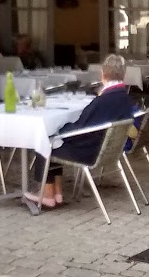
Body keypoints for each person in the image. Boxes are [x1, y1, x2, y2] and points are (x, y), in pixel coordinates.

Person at [26, 54, 135, 208]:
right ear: (123, 74)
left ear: (103, 74)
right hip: (106, 149)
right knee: (54, 141)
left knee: (45, 142)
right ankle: (56, 193)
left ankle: (47, 194)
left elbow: (81, 129)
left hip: (89, 152)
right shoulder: (124, 98)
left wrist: (62, 130)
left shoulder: (101, 101)